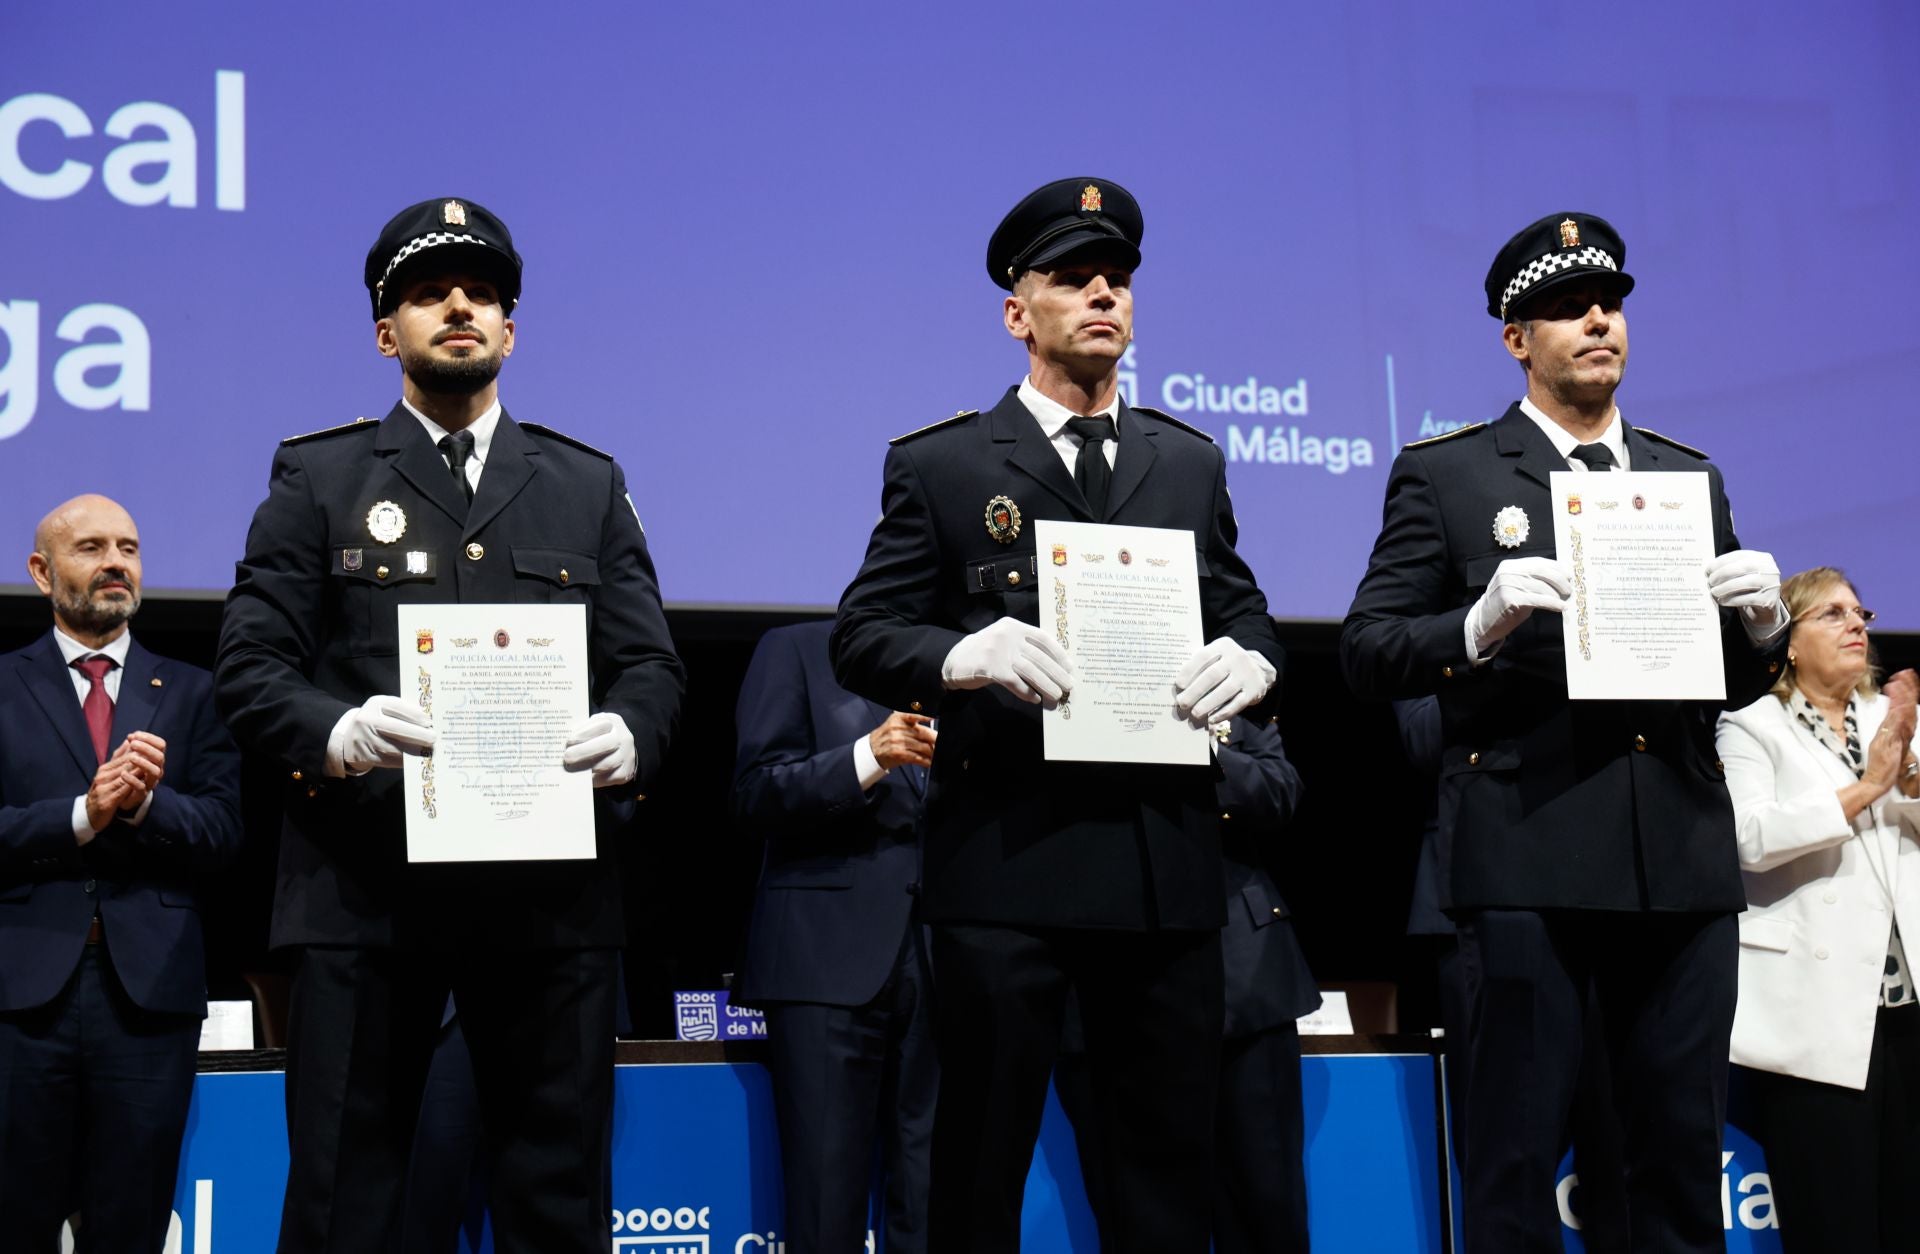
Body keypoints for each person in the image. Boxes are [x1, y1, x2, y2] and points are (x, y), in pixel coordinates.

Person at [215, 197, 684, 1254]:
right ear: (389, 334)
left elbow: (649, 662)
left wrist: (632, 732)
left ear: (511, 330)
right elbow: (250, 665)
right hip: (364, 891)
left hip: (550, 898)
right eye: (429, 294)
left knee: (559, 1197)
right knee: (343, 1195)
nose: (459, 307)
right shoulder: (319, 477)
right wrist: (333, 730)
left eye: (480, 294)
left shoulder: (586, 482)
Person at [831, 177, 1284, 1253]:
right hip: (1006, 864)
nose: (1101, 296)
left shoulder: (1188, 460)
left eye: (1117, 280)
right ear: (1015, 311)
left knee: (1164, 1176)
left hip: (1161, 867)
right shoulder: (941, 465)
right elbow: (863, 632)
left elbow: (1248, 613)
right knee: (978, 1170)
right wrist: (963, 654)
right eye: (1072, 279)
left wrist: (1255, 665)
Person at [1340, 211, 1789, 1252]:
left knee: (1680, 1158)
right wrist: (1479, 622)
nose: (1598, 321)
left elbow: (1717, 681)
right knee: (1514, 1161)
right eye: (1564, 308)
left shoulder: (1687, 476)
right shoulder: (1450, 476)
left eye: (1611, 303)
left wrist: (1761, 632)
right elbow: (1368, 651)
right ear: (1516, 339)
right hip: (1526, 854)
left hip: (1675, 860)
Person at [0, 494, 241, 1251]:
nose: (115, 563)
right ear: (42, 572)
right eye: (92, 547)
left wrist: (143, 809)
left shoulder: (195, 691)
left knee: (132, 1225)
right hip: (21, 997)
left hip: (148, 1002)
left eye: (129, 548)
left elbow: (226, 833)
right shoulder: (3, 686)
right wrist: (83, 814)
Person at [1054, 713, 1318, 1254]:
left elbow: (1279, 788)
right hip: (1099, 981)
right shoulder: (1050, 685)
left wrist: (1197, 753)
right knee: (1137, 1222)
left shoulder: (1219, 669)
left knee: (1267, 1214)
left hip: (1242, 984)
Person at [1716, 567, 1920, 1252]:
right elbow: (1748, 839)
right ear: (1789, 643)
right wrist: (1868, 789)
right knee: (1835, 1223)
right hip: (1818, 1014)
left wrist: (1910, 777)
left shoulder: (1893, 720)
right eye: (1832, 614)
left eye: (1859, 611)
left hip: (1908, 1010)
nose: (1857, 623)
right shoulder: (1749, 725)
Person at [730, 619, 937, 1254]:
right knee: (825, 1205)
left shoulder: (968, 668)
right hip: (824, 959)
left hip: (946, 959)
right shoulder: (795, 649)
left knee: (935, 1202)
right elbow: (755, 792)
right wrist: (866, 758)